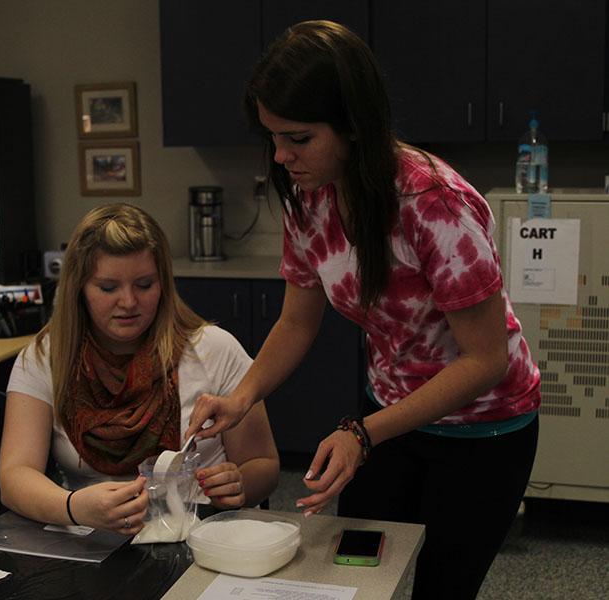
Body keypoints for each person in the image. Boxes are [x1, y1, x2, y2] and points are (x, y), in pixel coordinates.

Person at [185, 20, 540, 600]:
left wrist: (361, 433)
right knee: (356, 574)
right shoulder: (310, 193)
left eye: (298, 138)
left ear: (354, 125)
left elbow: (485, 360)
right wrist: (241, 396)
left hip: (483, 428)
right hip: (390, 416)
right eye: (272, 137)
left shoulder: (434, 204)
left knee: (441, 587)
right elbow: (297, 319)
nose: (281, 156)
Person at [0, 203, 279, 534]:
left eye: (144, 285)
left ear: (163, 285)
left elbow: (265, 466)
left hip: (201, 537)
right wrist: (73, 507)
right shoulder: (45, 358)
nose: (129, 302)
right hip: (89, 539)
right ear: (79, 290)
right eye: (108, 288)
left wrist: (238, 484)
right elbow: (14, 476)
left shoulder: (215, 350)